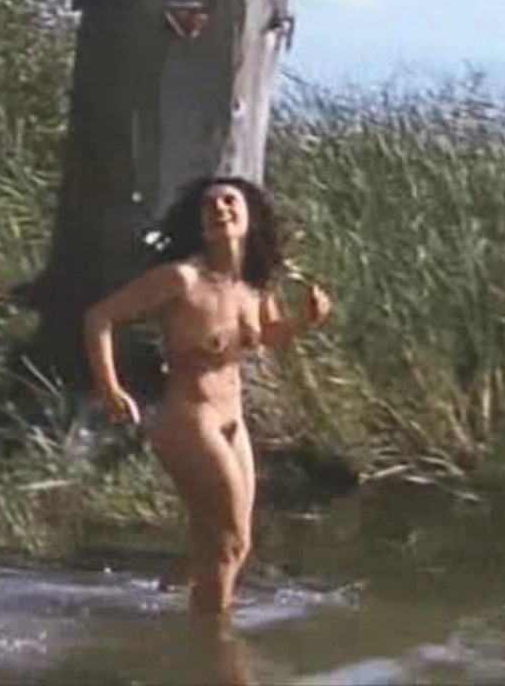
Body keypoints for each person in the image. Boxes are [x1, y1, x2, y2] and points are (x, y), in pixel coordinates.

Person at [83, 175, 332, 623]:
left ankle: (165, 611)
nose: (220, 210)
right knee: (231, 542)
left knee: (215, 541)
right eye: (209, 206)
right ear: (199, 223)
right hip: (188, 418)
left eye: (230, 202)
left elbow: (266, 336)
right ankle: (213, 643)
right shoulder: (181, 278)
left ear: (250, 216)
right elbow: (99, 317)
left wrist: (304, 321)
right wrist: (110, 388)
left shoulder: (253, 285)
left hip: (233, 421)